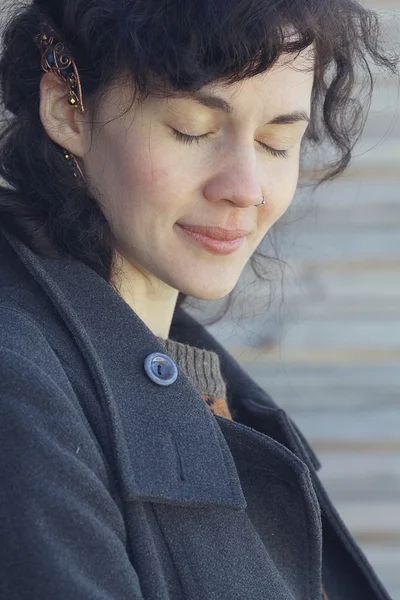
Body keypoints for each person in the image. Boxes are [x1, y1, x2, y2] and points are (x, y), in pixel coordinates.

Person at [0, 0, 396, 598]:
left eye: (276, 141)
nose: (244, 189)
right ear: (67, 109)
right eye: (194, 130)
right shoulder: (19, 381)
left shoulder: (202, 378)